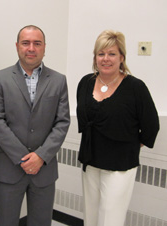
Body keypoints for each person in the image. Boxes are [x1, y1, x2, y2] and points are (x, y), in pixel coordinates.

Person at [0, 25, 70, 226]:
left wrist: (41, 156)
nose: (31, 48)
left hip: (44, 169)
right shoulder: (0, 78)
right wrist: (23, 158)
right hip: (8, 167)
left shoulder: (58, 80)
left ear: (44, 47)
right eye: (25, 43)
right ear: (17, 46)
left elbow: (62, 122)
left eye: (37, 43)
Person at [76, 30, 159, 226]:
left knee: (110, 218)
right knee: (91, 216)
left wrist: (131, 145)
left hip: (120, 164)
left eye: (112, 54)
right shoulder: (85, 83)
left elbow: (151, 125)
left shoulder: (135, 87)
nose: (106, 59)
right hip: (90, 160)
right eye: (101, 54)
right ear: (95, 57)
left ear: (121, 57)